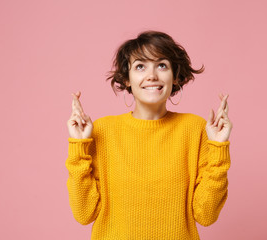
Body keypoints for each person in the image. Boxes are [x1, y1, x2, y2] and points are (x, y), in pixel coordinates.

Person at [66, 30, 233, 239]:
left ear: (175, 77)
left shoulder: (195, 129)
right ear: (127, 79)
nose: (152, 75)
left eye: (162, 65)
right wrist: (78, 146)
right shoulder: (102, 131)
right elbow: (84, 213)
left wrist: (218, 148)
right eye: (140, 66)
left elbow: (206, 215)